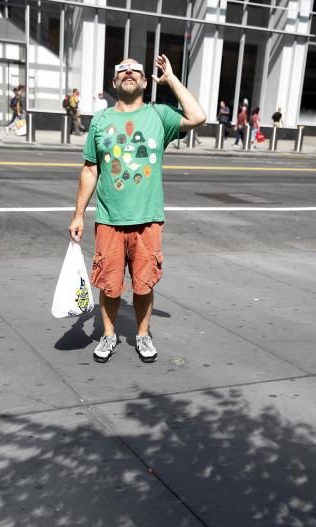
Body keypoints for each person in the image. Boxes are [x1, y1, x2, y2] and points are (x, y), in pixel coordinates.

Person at [68, 54, 206, 363]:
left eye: (135, 70)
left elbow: (197, 116)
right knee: (109, 285)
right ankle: (108, 335)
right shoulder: (101, 120)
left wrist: (170, 78)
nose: (128, 72)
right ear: (114, 82)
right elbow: (90, 170)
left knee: (143, 285)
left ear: (144, 81)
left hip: (148, 220)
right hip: (109, 220)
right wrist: (78, 214)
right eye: (122, 70)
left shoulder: (159, 115)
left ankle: (142, 335)